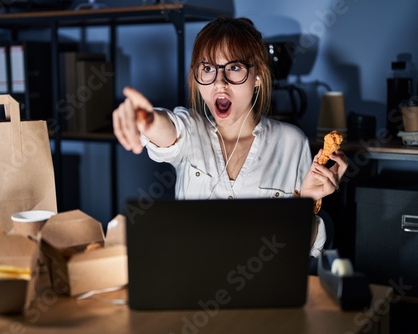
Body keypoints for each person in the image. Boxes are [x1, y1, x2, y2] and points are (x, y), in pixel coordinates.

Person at [112, 16, 348, 259]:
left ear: (257, 76)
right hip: (192, 283)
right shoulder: (193, 130)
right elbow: (169, 129)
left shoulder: (291, 142)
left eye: (234, 68)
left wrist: (307, 202)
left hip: (263, 289)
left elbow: (297, 252)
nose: (219, 83)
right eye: (207, 69)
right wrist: (148, 120)